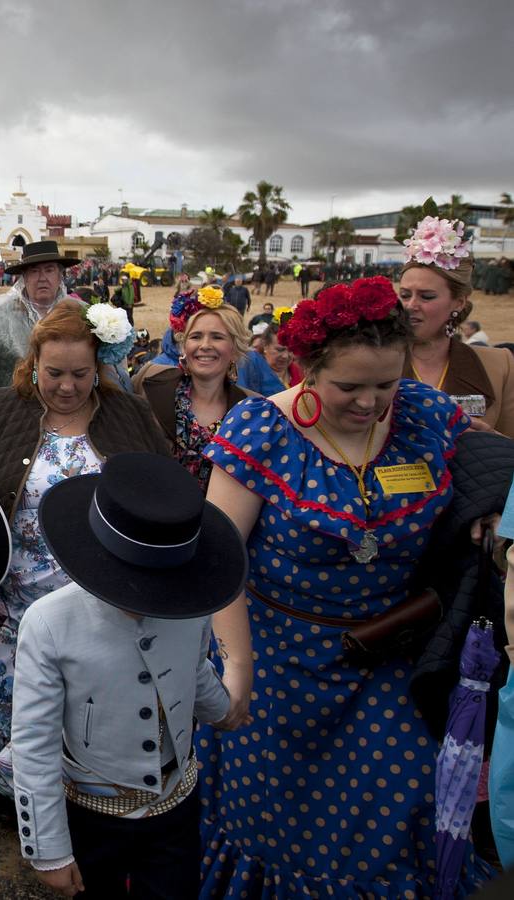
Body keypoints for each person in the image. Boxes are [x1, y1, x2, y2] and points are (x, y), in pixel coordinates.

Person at [199, 275, 492, 896]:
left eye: (386, 384)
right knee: (274, 824)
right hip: (276, 663)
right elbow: (220, 559)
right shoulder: (261, 431)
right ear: (304, 368)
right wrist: (238, 664)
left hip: (388, 654)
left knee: (406, 795)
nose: (371, 403)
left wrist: (487, 508)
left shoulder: (424, 416)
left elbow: (493, 466)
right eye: (350, 386)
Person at [0, 302, 169, 795]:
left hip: (101, 602)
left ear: (99, 368)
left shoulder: (129, 415)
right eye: (54, 373)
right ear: (32, 363)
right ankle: (0, 787)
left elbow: (162, 487)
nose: (68, 386)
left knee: (81, 706)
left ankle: (65, 793)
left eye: (81, 373)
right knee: (10, 691)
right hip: (15, 598)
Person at [11, 453, 243, 899]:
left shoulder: (190, 605)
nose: (148, 599)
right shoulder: (49, 622)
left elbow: (192, 670)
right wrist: (49, 851)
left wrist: (223, 708)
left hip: (175, 806)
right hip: (92, 815)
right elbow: (33, 743)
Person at [398, 218, 514, 437]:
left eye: (427, 296)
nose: (411, 306)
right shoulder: (374, 361)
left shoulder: (498, 365)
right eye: (405, 295)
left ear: (459, 302)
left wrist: (493, 443)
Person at [133, 287, 254, 489]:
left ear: (234, 349)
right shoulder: (149, 378)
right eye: (196, 336)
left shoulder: (251, 410)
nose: (205, 345)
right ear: (184, 346)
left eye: (217, 337)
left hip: (216, 517)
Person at [0, 240, 81, 396]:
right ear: (24, 278)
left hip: (67, 408)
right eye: (34, 271)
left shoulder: (80, 314)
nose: (42, 278)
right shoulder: (0, 315)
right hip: (12, 412)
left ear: (60, 275)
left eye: (49, 270)